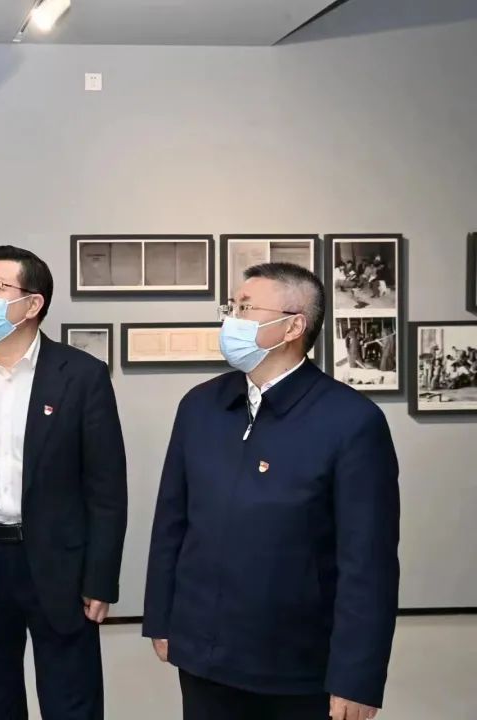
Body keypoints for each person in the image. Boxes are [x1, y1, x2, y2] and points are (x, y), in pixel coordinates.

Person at [143, 262, 400, 720]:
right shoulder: (200, 406)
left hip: (296, 664)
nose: (232, 320)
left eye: (246, 308)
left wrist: (356, 677)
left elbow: (368, 564)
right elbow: (171, 523)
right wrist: (161, 618)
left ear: (294, 327)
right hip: (203, 654)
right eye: (231, 307)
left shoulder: (351, 421)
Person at [0, 246, 127, 719]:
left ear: (33, 304)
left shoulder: (82, 376)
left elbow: (107, 490)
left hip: (60, 561)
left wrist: (101, 578)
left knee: (71, 699)